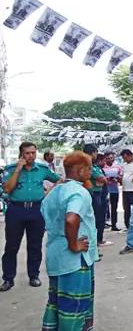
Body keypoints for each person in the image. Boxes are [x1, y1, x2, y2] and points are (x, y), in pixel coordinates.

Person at [40, 151, 99, 331]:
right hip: (75, 258)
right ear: (80, 170)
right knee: (74, 304)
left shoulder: (55, 191)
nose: (91, 172)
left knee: (57, 300)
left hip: (56, 254)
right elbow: (71, 218)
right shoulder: (78, 192)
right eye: (88, 168)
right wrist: (74, 244)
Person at [1, 142, 61, 292]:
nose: (31, 156)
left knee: (35, 245)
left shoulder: (41, 169)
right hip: (16, 210)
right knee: (11, 246)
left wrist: (49, 193)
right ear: (21, 154)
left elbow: (58, 179)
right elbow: (7, 188)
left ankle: (34, 275)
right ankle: (8, 278)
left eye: (33, 153)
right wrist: (18, 169)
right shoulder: (10, 169)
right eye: (27, 153)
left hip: (36, 210)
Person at [83, 146, 109, 248]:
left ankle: (97, 242)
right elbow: (101, 179)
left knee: (100, 219)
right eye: (96, 153)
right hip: (93, 194)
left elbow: (103, 179)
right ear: (93, 153)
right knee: (93, 220)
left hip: (99, 194)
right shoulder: (86, 165)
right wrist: (101, 180)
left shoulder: (94, 166)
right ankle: (92, 246)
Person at [119, 149, 133, 230]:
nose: (124, 159)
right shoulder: (124, 164)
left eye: (125, 157)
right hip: (125, 190)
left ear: (130, 155)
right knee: (126, 209)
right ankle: (127, 225)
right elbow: (122, 175)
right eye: (123, 158)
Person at [103, 152, 123, 232]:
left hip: (114, 189)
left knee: (114, 208)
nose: (110, 160)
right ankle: (103, 223)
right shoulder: (102, 167)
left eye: (112, 158)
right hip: (105, 189)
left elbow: (121, 178)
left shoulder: (118, 167)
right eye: (108, 158)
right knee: (104, 207)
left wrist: (117, 178)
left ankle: (114, 224)